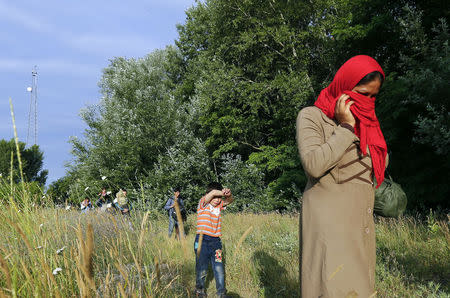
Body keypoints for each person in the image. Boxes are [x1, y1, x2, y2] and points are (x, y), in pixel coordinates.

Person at [296, 55, 388, 297]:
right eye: (361, 93)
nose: (367, 101)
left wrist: (368, 129)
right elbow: (313, 164)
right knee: (331, 286)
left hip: (360, 223)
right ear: (344, 87)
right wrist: (346, 128)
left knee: (360, 288)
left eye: (373, 96)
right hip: (329, 224)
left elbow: (379, 165)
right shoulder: (312, 116)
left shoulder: (367, 122)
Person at [194, 182, 233, 298]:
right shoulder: (203, 204)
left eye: (219, 198)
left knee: (219, 267)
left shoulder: (219, 206)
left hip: (216, 242)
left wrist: (228, 194)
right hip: (201, 241)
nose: (217, 199)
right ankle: (199, 290)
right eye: (215, 197)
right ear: (207, 195)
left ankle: (221, 293)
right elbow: (214, 192)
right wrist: (222, 192)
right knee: (201, 267)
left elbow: (230, 200)